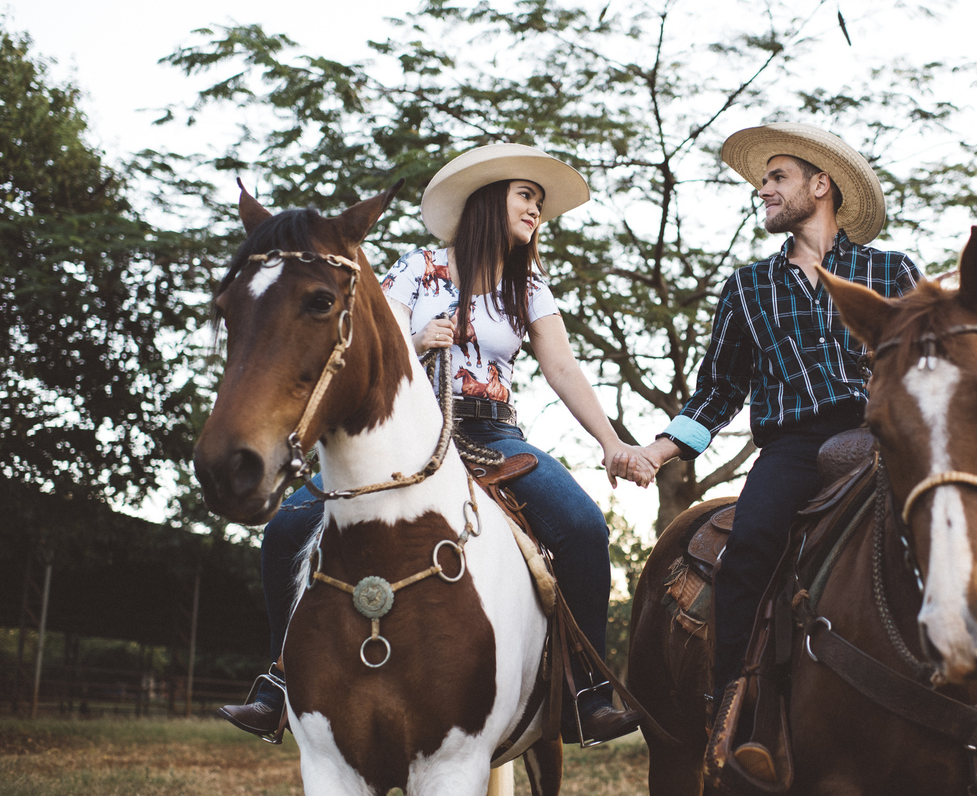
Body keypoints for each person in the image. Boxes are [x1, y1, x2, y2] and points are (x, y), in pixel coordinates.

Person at [220, 144, 653, 744]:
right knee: (287, 528)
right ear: (487, 199)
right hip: (409, 435)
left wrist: (611, 441)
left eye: (539, 201)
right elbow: (375, 350)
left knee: (582, 527)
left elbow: (562, 369)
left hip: (495, 434)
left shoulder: (529, 285)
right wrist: (420, 339)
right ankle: (277, 681)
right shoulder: (415, 267)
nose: (537, 210)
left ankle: (585, 690)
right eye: (526, 195)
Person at [612, 122, 921, 703]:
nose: (764, 190)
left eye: (777, 178)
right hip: (795, 447)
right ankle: (733, 708)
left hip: (885, 437)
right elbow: (720, 390)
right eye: (763, 182)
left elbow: (929, 363)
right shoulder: (748, 287)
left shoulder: (892, 272)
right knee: (749, 547)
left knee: (971, 521)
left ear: (821, 185)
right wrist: (657, 450)